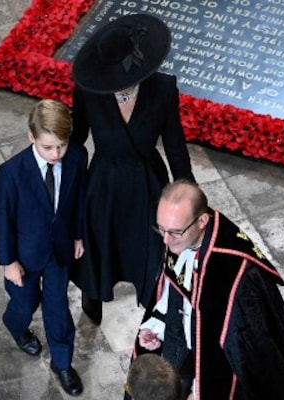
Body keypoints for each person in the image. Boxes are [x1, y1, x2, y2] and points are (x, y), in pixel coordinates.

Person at [131, 180, 284, 400]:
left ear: (202, 220)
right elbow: (174, 291)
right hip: (188, 349)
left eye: (173, 232)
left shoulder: (237, 273)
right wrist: (158, 327)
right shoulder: (180, 237)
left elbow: (250, 351)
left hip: (226, 373)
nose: (165, 239)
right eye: (161, 229)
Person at [71, 13, 195, 325]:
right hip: (104, 185)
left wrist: (190, 196)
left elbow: (175, 146)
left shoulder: (163, 88)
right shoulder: (89, 90)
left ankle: (154, 310)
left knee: (153, 251)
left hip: (147, 184)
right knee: (99, 249)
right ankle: (93, 301)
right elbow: (77, 138)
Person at [0, 99, 87, 396]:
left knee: (57, 306)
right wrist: (9, 262)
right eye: (48, 147)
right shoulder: (11, 172)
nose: (56, 154)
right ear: (31, 137)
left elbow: (79, 201)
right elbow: (3, 220)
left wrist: (78, 236)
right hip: (25, 254)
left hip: (59, 251)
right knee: (25, 302)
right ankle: (15, 324)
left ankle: (62, 363)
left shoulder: (77, 158)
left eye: (61, 145)